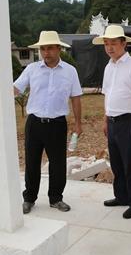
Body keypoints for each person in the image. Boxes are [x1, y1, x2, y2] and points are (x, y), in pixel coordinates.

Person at [14, 31, 82, 214]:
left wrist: (78, 124)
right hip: (34, 123)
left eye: (50, 48)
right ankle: (29, 199)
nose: (46, 52)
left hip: (57, 124)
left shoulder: (70, 71)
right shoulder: (31, 69)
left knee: (58, 163)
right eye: (43, 49)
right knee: (32, 162)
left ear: (59, 49)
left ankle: (56, 198)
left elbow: (76, 97)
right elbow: (15, 89)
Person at [93, 25, 131, 219]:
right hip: (113, 121)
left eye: (113, 43)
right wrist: (105, 120)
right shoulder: (109, 66)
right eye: (106, 43)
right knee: (116, 162)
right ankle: (121, 196)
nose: (109, 47)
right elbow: (107, 95)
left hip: (128, 120)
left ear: (124, 43)